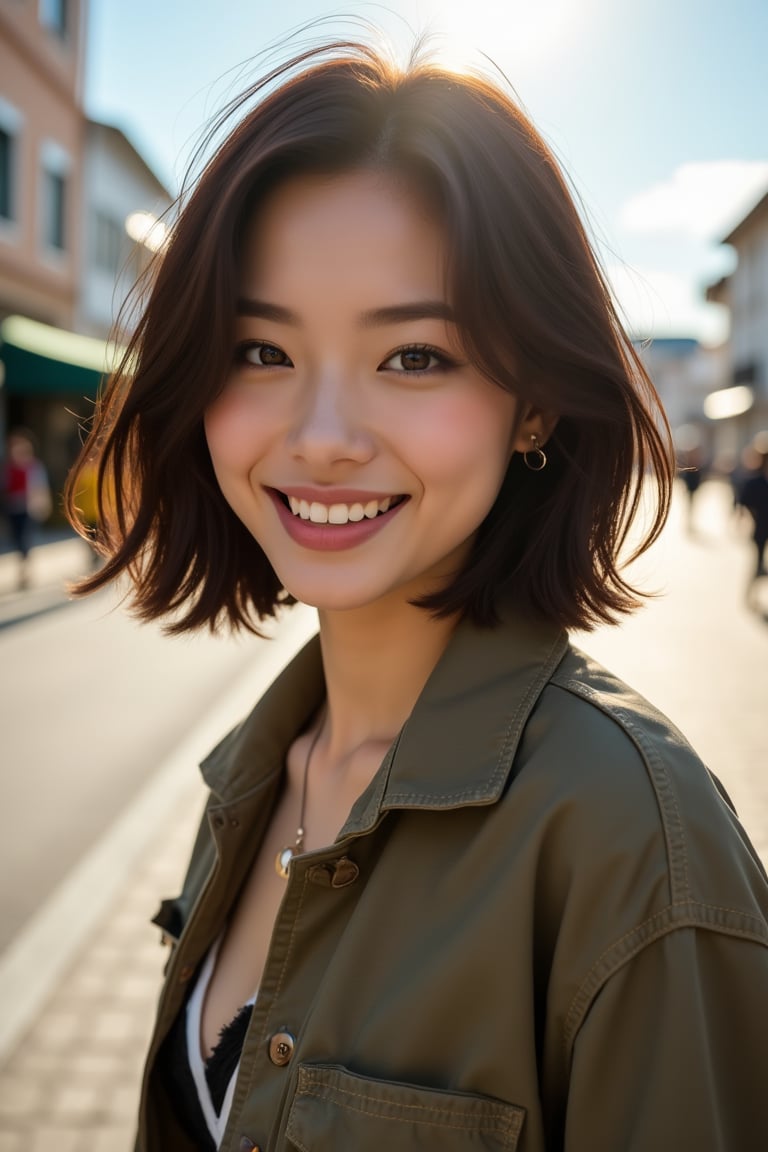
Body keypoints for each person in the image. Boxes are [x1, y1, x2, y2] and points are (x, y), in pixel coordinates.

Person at [65, 40, 768, 1152]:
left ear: (531, 404)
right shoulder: (258, 776)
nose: (324, 437)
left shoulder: (632, 841)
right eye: (259, 349)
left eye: (414, 358)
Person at [2, 427, 51, 588]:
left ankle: (25, 568)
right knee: (16, 538)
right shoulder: (8, 468)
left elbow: (40, 487)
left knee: (25, 538)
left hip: (28, 508)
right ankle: (23, 564)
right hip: (13, 507)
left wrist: (43, 504)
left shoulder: (33, 467)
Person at [739, 450, 768, 608]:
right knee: (757, 563)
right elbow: (744, 503)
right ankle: (751, 593)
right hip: (761, 530)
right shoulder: (755, 482)